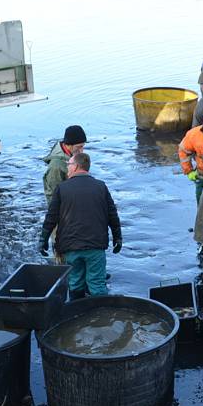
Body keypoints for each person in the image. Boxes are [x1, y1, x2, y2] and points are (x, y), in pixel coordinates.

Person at [40, 153, 122, 299]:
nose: (67, 168)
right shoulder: (101, 187)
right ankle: (102, 317)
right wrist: (118, 237)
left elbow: (51, 217)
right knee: (97, 284)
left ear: (76, 166)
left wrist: (43, 240)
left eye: (69, 165)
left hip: (71, 248)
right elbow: (112, 215)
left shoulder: (62, 189)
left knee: (75, 283)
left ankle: (77, 313)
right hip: (96, 247)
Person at [43, 125, 86, 204]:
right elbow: (53, 195)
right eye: (79, 147)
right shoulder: (56, 166)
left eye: (83, 146)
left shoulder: (70, 153)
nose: (81, 151)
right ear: (69, 144)